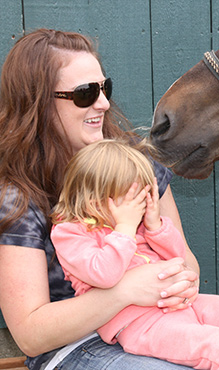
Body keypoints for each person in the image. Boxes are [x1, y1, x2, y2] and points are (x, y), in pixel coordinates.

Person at [0, 29, 200, 370]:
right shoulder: (18, 195)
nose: (103, 103)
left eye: (104, 88)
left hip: (160, 321)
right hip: (78, 347)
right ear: (37, 103)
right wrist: (123, 292)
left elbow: (188, 265)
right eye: (84, 93)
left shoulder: (135, 163)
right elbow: (31, 334)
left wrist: (178, 284)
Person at [51, 139, 219, 370]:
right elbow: (104, 275)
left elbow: (181, 262)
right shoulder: (70, 233)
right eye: (132, 201)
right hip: (139, 325)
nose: (141, 208)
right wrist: (125, 228)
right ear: (95, 201)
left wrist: (155, 227)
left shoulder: (135, 224)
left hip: (180, 306)